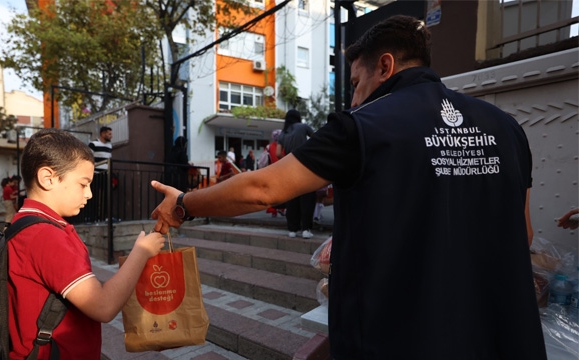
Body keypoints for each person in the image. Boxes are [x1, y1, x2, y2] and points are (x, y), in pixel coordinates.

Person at [149, 15, 546, 359]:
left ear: (385, 67)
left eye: (356, 82)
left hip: (401, 339)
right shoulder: (506, 128)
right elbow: (522, 232)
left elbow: (263, 189)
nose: (354, 97)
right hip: (500, 337)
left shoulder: (362, 126)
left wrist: (184, 203)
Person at [8, 128, 164, 358]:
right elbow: (102, 306)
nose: (89, 194)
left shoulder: (26, 222)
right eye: (83, 184)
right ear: (47, 178)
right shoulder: (45, 235)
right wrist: (141, 252)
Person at [277, 109, 315, 239]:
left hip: (289, 169)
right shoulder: (304, 127)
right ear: (298, 117)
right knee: (307, 198)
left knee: (292, 200)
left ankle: (292, 230)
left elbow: (277, 153)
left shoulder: (283, 132)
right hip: (305, 167)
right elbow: (316, 138)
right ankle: (306, 229)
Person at [88, 126, 113, 221]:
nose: (111, 136)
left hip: (107, 174)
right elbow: (88, 158)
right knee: (94, 196)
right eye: (109, 134)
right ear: (103, 134)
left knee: (107, 196)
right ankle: (93, 217)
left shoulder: (110, 146)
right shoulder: (93, 144)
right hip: (96, 174)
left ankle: (105, 217)